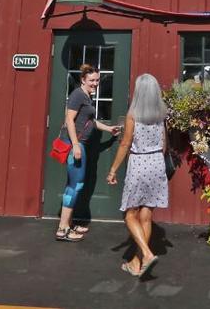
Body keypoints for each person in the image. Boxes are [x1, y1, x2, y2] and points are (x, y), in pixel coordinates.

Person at [106, 73, 168, 277]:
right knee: (146, 216)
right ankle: (136, 263)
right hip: (157, 163)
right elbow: (164, 146)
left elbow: (125, 143)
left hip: (139, 163)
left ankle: (147, 254)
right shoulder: (161, 114)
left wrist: (113, 169)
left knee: (129, 214)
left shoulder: (133, 114)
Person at [55, 64, 122, 242]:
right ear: (83, 80)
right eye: (91, 80)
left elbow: (91, 121)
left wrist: (109, 129)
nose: (95, 83)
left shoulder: (86, 96)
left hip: (78, 144)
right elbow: (69, 120)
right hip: (74, 144)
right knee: (75, 185)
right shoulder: (78, 94)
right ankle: (63, 229)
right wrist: (76, 145)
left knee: (73, 184)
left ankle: (68, 224)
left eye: (97, 80)